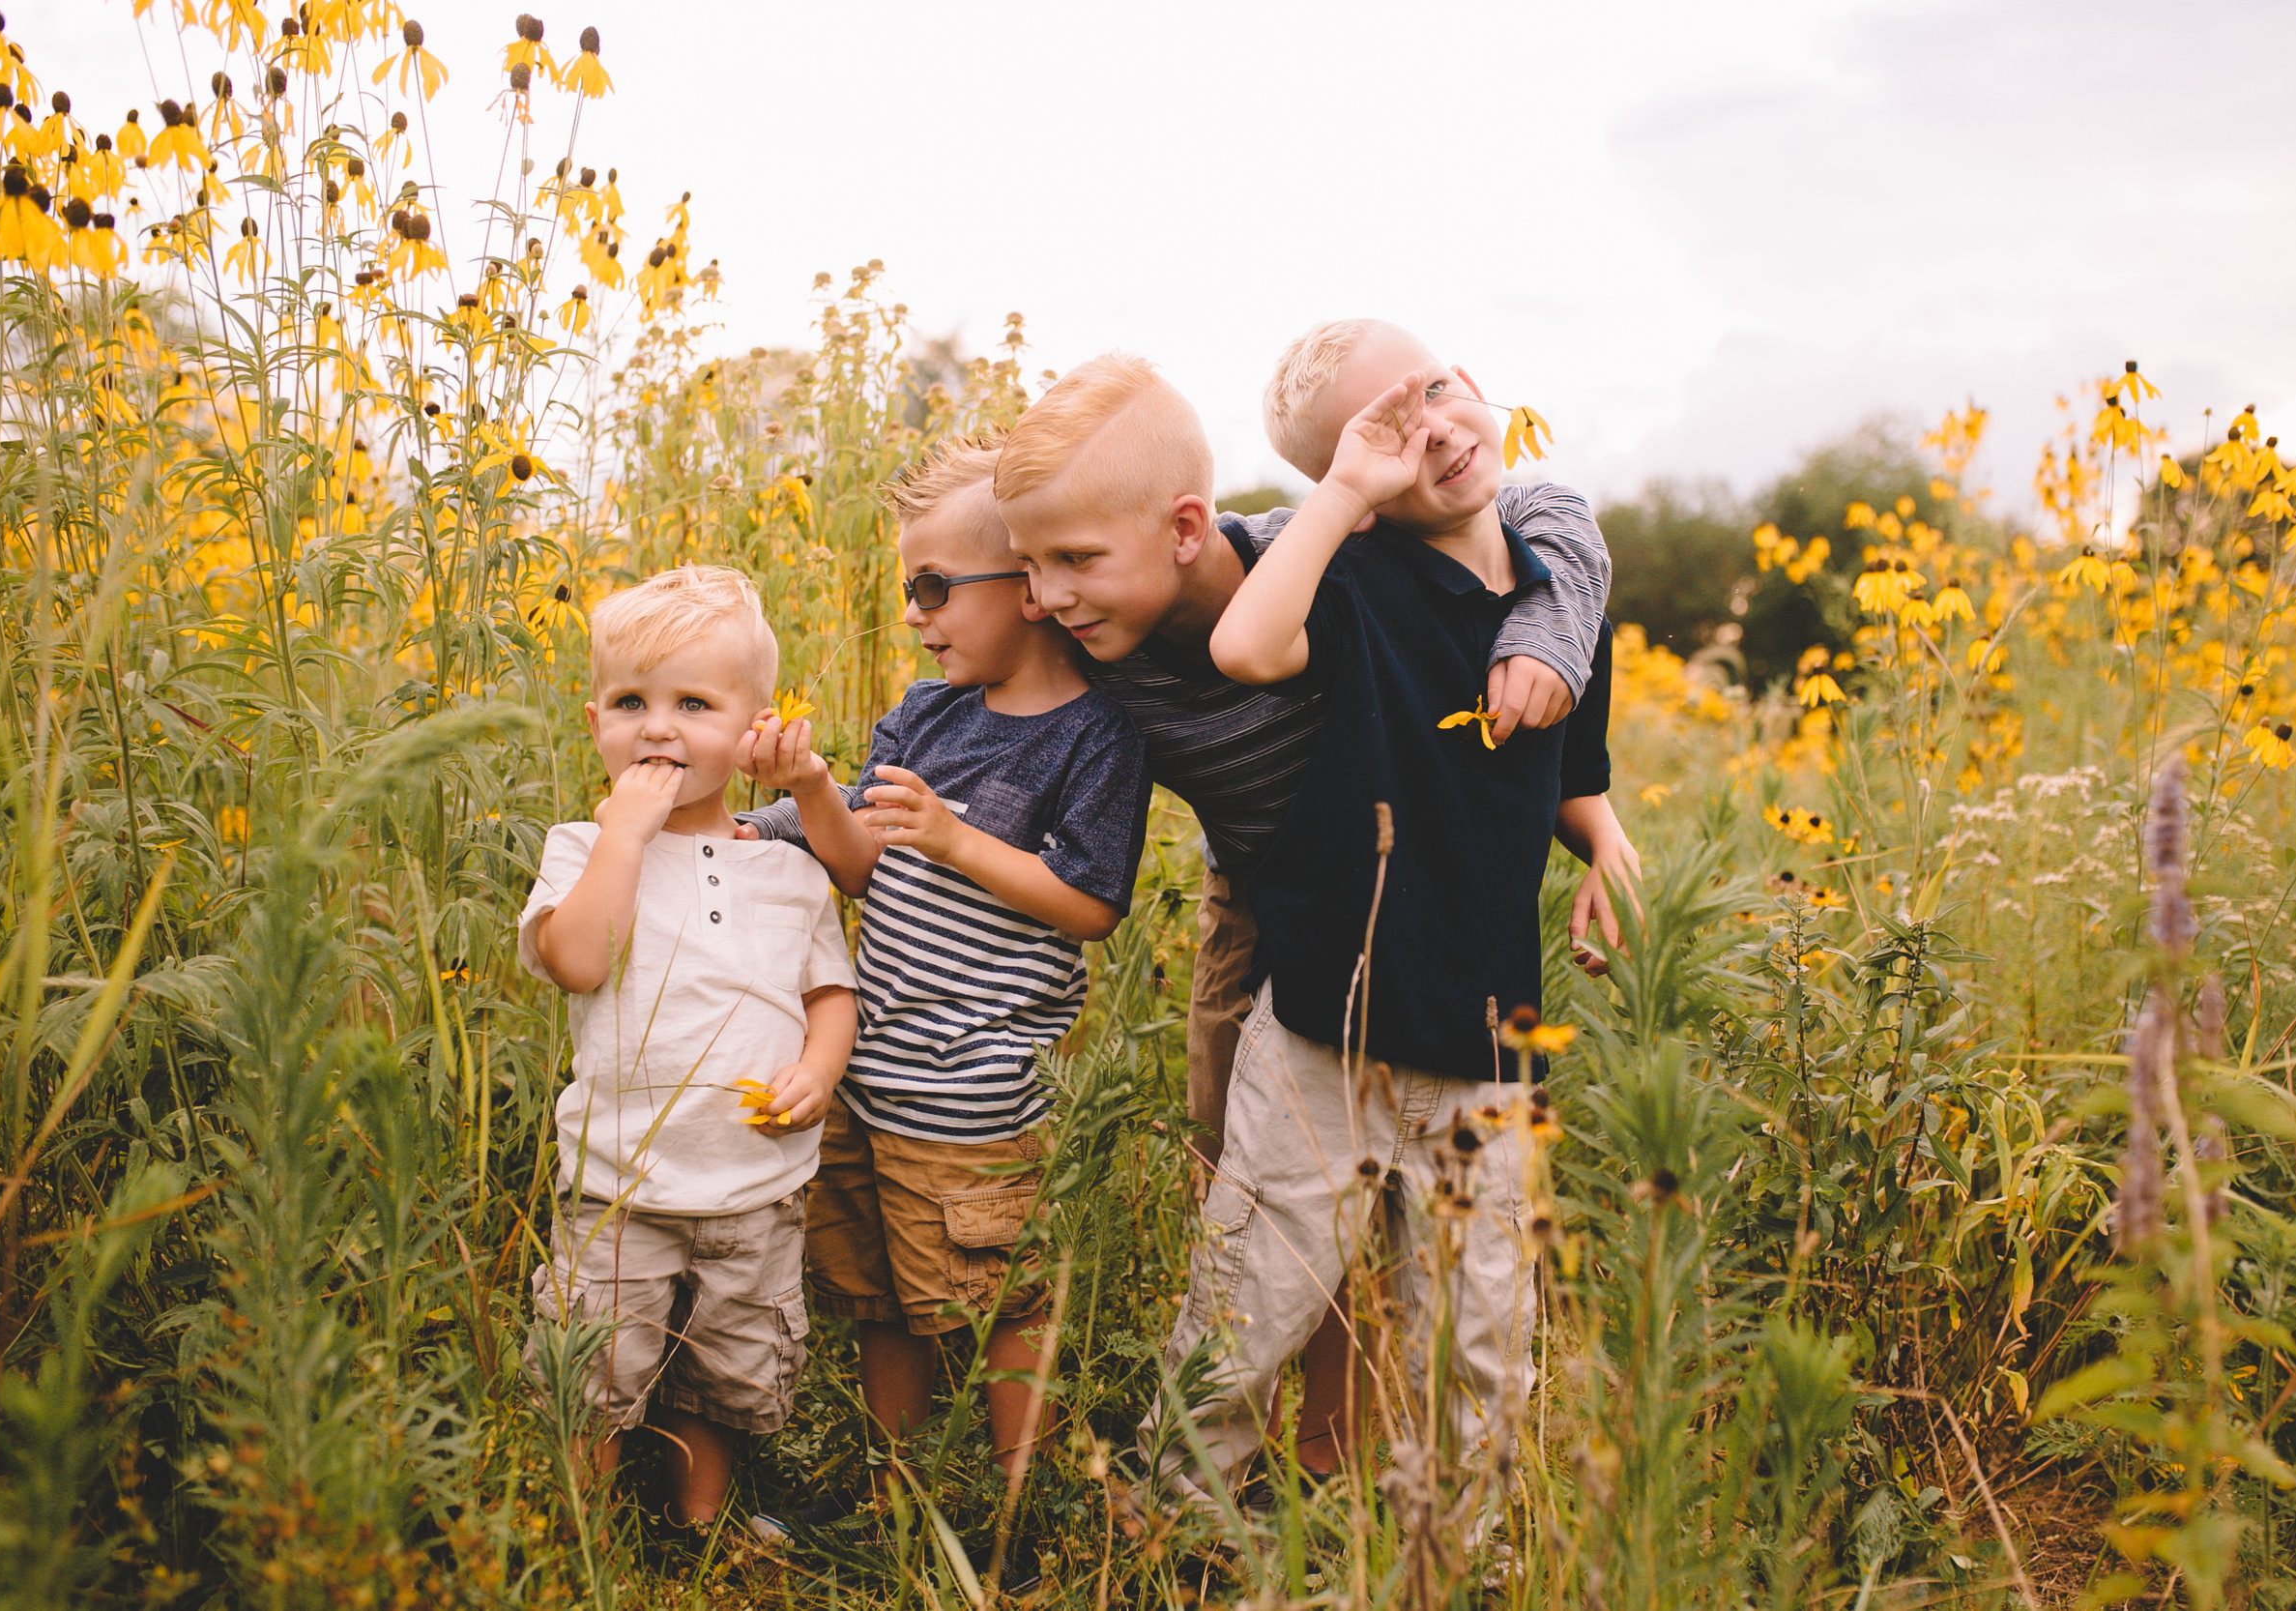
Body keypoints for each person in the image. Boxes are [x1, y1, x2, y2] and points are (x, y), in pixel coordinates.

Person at [994, 347, 1633, 1482]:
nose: (1048, 595)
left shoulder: (1355, 559)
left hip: (1460, 952)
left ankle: (1378, 1483)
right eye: (1031, 573)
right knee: (1260, 1230)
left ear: (1189, 530)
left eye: (1073, 563)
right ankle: (1194, 1488)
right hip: (1279, 912)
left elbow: (1551, 526)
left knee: (1465, 1292)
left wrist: (1595, 824)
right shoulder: (1137, 620)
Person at [736, 431, 1150, 1507]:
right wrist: (801, 798)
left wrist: (960, 841)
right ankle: (896, 1489)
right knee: (880, 1295)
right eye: (906, 587)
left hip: (974, 1094)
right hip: (870, 1071)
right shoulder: (927, 715)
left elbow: (1094, 906)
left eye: (932, 587)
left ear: (1026, 587)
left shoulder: (1094, 736)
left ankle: (1025, 1503)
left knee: (1001, 1298)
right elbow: (858, 860)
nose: (915, 614)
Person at [519, 564, 857, 1531]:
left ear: (754, 730)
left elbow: (829, 990)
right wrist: (624, 834)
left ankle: (700, 1519)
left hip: (753, 1183)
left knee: (728, 1365)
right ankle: (577, 1529)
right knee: (595, 1359)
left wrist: (819, 1069)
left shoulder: (787, 871)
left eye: (693, 703)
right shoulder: (581, 849)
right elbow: (577, 959)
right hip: (617, 1185)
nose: (658, 727)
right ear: (596, 726)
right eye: (631, 702)